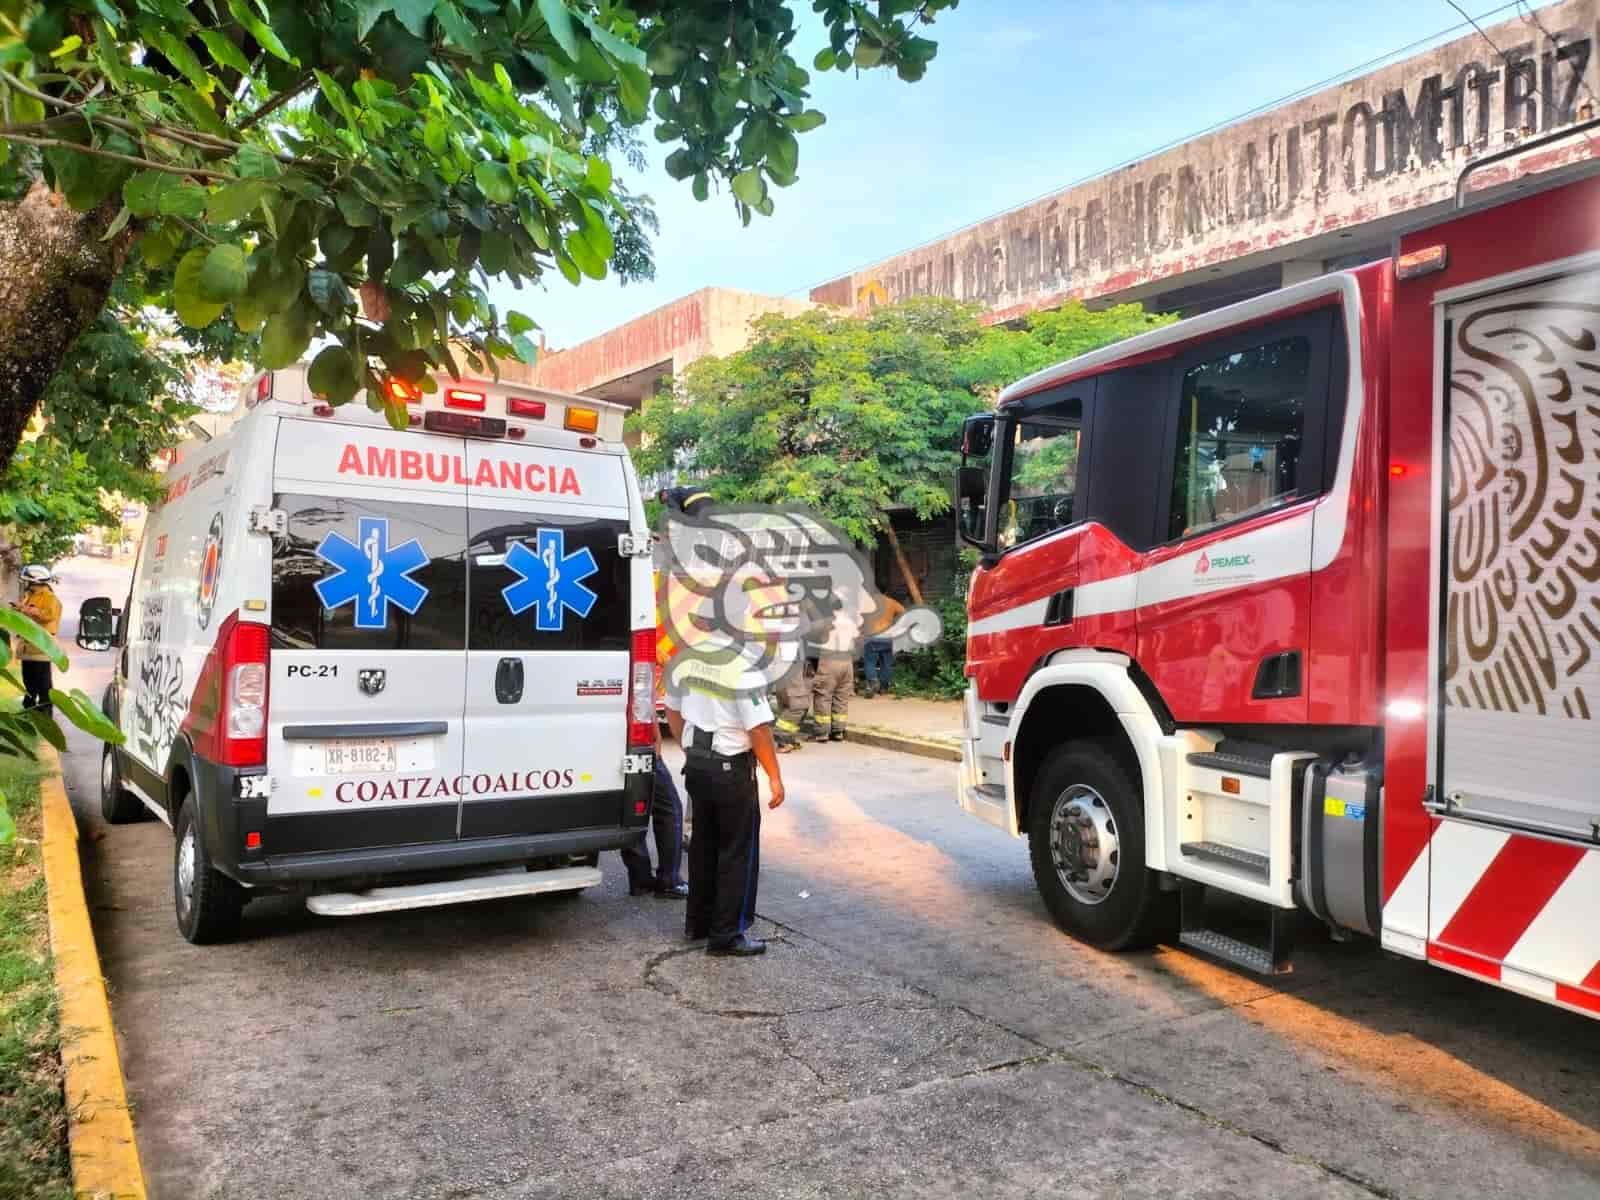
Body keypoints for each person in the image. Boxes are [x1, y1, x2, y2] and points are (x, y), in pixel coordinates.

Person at [665, 681, 785, 957]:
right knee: (736, 852)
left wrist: (690, 750)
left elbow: (672, 710)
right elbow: (758, 728)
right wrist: (774, 776)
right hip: (730, 770)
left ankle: (699, 924)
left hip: (698, 766)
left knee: (702, 848)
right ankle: (727, 934)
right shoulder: (742, 670)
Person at [620, 748, 689, 898]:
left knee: (629, 807)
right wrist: (654, 744)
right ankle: (669, 880)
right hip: (639, 749)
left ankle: (640, 878)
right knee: (669, 807)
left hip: (610, 747)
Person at [14, 565, 62, 716]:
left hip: (41, 646)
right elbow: (30, 613)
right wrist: (20, 608)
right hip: (29, 645)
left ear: (36, 581)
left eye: (28, 581)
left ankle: (45, 710)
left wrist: (26, 610)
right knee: (28, 679)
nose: (27, 584)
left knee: (43, 682)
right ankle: (29, 707)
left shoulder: (50, 598)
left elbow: (48, 616)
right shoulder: (31, 595)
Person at [859, 592, 906, 698]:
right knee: (887, 663)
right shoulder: (891, 602)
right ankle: (884, 688)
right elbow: (904, 613)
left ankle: (873, 681)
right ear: (885, 592)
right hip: (887, 637)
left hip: (872, 636)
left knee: (870, 662)